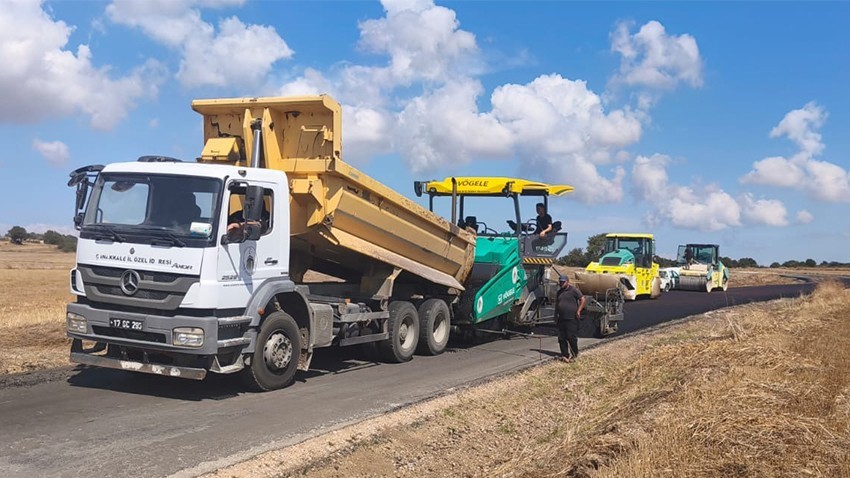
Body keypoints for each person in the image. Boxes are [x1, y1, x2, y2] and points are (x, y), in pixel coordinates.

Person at [554, 274, 586, 363]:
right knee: (561, 338)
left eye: (563, 282)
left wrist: (579, 310)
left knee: (571, 337)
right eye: (560, 282)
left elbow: (583, 299)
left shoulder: (574, 290)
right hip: (561, 318)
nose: (561, 283)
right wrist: (555, 314)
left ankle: (574, 354)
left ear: (567, 282)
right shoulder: (559, 292)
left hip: (571, 318)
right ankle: (565, 355)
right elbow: (557, 304)